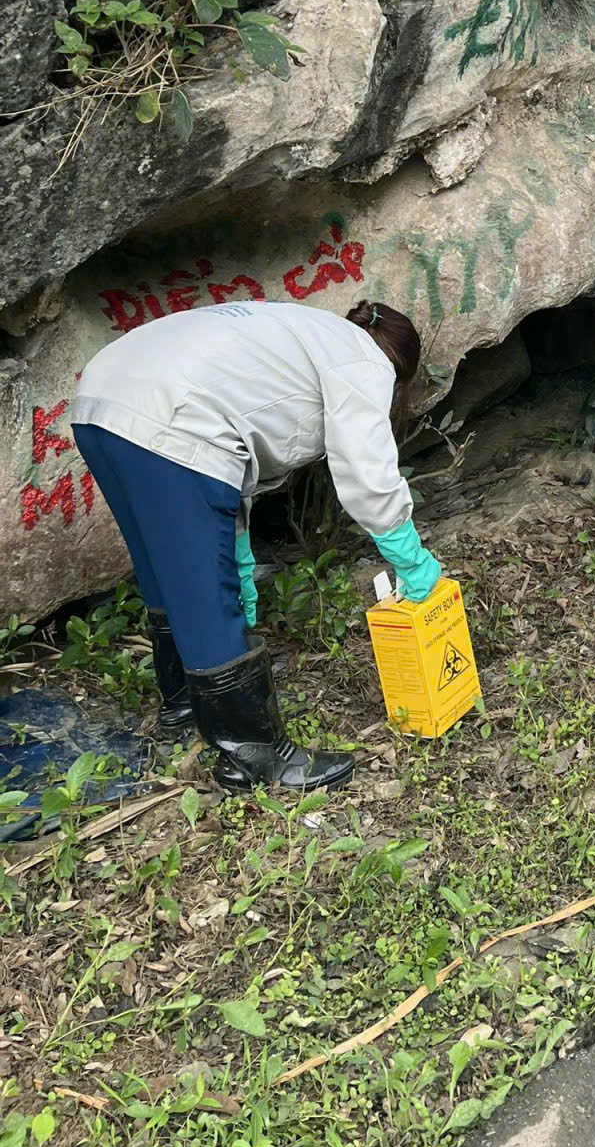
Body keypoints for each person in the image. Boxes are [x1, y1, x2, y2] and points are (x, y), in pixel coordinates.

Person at [71, 299, 444, 794]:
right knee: (208, 593)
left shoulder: (307, 333)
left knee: (165, 570)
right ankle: (255, 756)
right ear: (398, 368)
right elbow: (367, 472)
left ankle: (183, 706)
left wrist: (240, 554)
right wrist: (411, 558)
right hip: (170, 415)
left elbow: (231, 462)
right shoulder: (363, 362)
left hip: (101, 404)